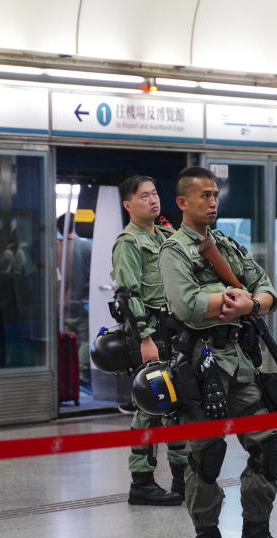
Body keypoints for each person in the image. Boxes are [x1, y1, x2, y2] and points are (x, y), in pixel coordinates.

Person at [159, 166, 277, 538]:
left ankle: (256, 536)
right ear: (183, 202)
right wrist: (231, 299)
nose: (211, 202)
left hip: (240, 364)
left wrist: (251, 305)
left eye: (214, 195)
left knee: (270, 443)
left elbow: (268, 289)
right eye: (203, 195)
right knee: (206, 455)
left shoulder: (225, 245)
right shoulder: (174, 251)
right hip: (201, 369)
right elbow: (186, 305)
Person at [110, 175, 187, 506]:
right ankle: (141, 481)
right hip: (151, 334)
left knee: (180, 403)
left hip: (175, 332)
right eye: (144, 196)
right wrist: (144, 339)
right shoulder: (128, 243)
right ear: (129, 205)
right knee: (150, 405)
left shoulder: (167, 236)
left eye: (155, 194)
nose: (153, 200)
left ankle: (183, 478)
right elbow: (128, 295)